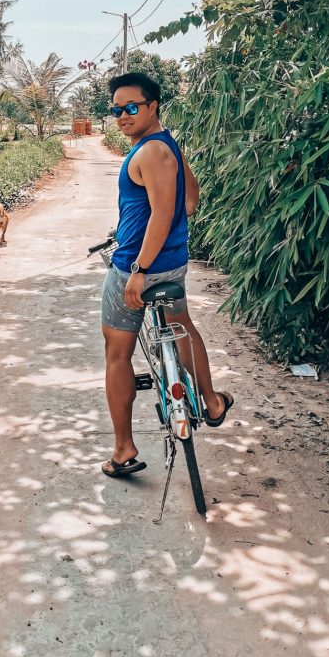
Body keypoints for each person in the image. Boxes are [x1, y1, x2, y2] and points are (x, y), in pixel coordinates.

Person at [100, 72, 234, 478]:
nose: (122, 116)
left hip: (135, 268)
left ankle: (123, 449)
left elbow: (161, 213)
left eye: (130, 108)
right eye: (115, 110)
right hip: (173, 265)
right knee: (182, 327)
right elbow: (188, 203)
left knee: (117, 354)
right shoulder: (167, 148)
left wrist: (138, 270)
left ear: (152, 105)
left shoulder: (147, 154)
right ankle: (211, 402)